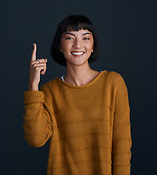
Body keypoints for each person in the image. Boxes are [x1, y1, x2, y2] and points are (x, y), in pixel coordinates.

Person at [23, 15, 132, 175]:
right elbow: (35, 139)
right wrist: (33, 84)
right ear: (60, 46)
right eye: (69, 38)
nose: (78, 45)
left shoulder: (113, 83)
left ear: (93, 45)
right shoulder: (49, 92)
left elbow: (122, 147)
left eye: (85, 37)